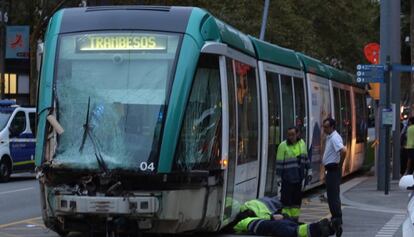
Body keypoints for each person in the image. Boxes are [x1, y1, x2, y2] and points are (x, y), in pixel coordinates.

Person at [225, 196, 335, 237]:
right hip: (274, 208)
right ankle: (322, 224)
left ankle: (320, 225)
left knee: (285, 222)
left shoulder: (243, 215)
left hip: (274, 211)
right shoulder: (245, 209)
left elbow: (267, 224)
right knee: (288, 220)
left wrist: (273, 218)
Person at [276, 127, 309, 221]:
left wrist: (309, 170)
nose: (290, 137)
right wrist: (279, 177)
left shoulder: (302, 143)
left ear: (297, 134)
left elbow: (306, 158)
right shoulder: (283, 146)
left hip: (299, 179)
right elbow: (279, 163)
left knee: (296, 203)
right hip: (287, 179)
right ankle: (286, 220)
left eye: (292, 134)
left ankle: (294, 220)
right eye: (289, 134)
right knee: (286, 202)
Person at [322, 118, 346, 237]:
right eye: (324, 126)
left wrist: (340, 166)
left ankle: (337, 220)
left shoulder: (335, 137)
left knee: (333, 196)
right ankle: (336, 218)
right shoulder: (330, 137)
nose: (324, 129)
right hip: (330, 170)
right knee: (332, 196)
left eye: (326, 127)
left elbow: (343, 150)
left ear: (332, 127)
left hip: (333, 170)